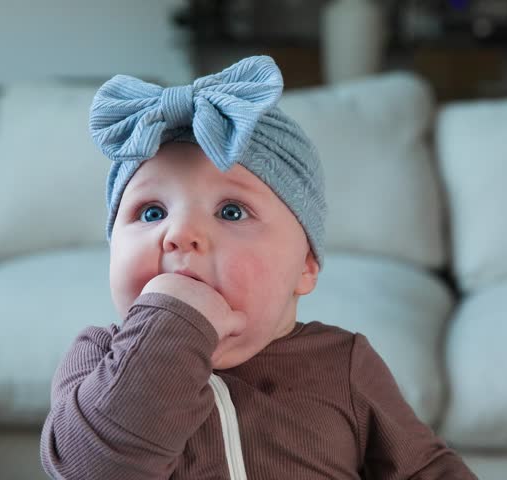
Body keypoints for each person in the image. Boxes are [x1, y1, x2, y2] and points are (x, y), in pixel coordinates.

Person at [40, 55, 477, 479]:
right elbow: (97, 470)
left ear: (305, 265)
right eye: (152, 212)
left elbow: (426, 469)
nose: (180, 233)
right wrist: (169, 324)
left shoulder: (342, 365)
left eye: (231, 211)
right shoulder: (95, 361)